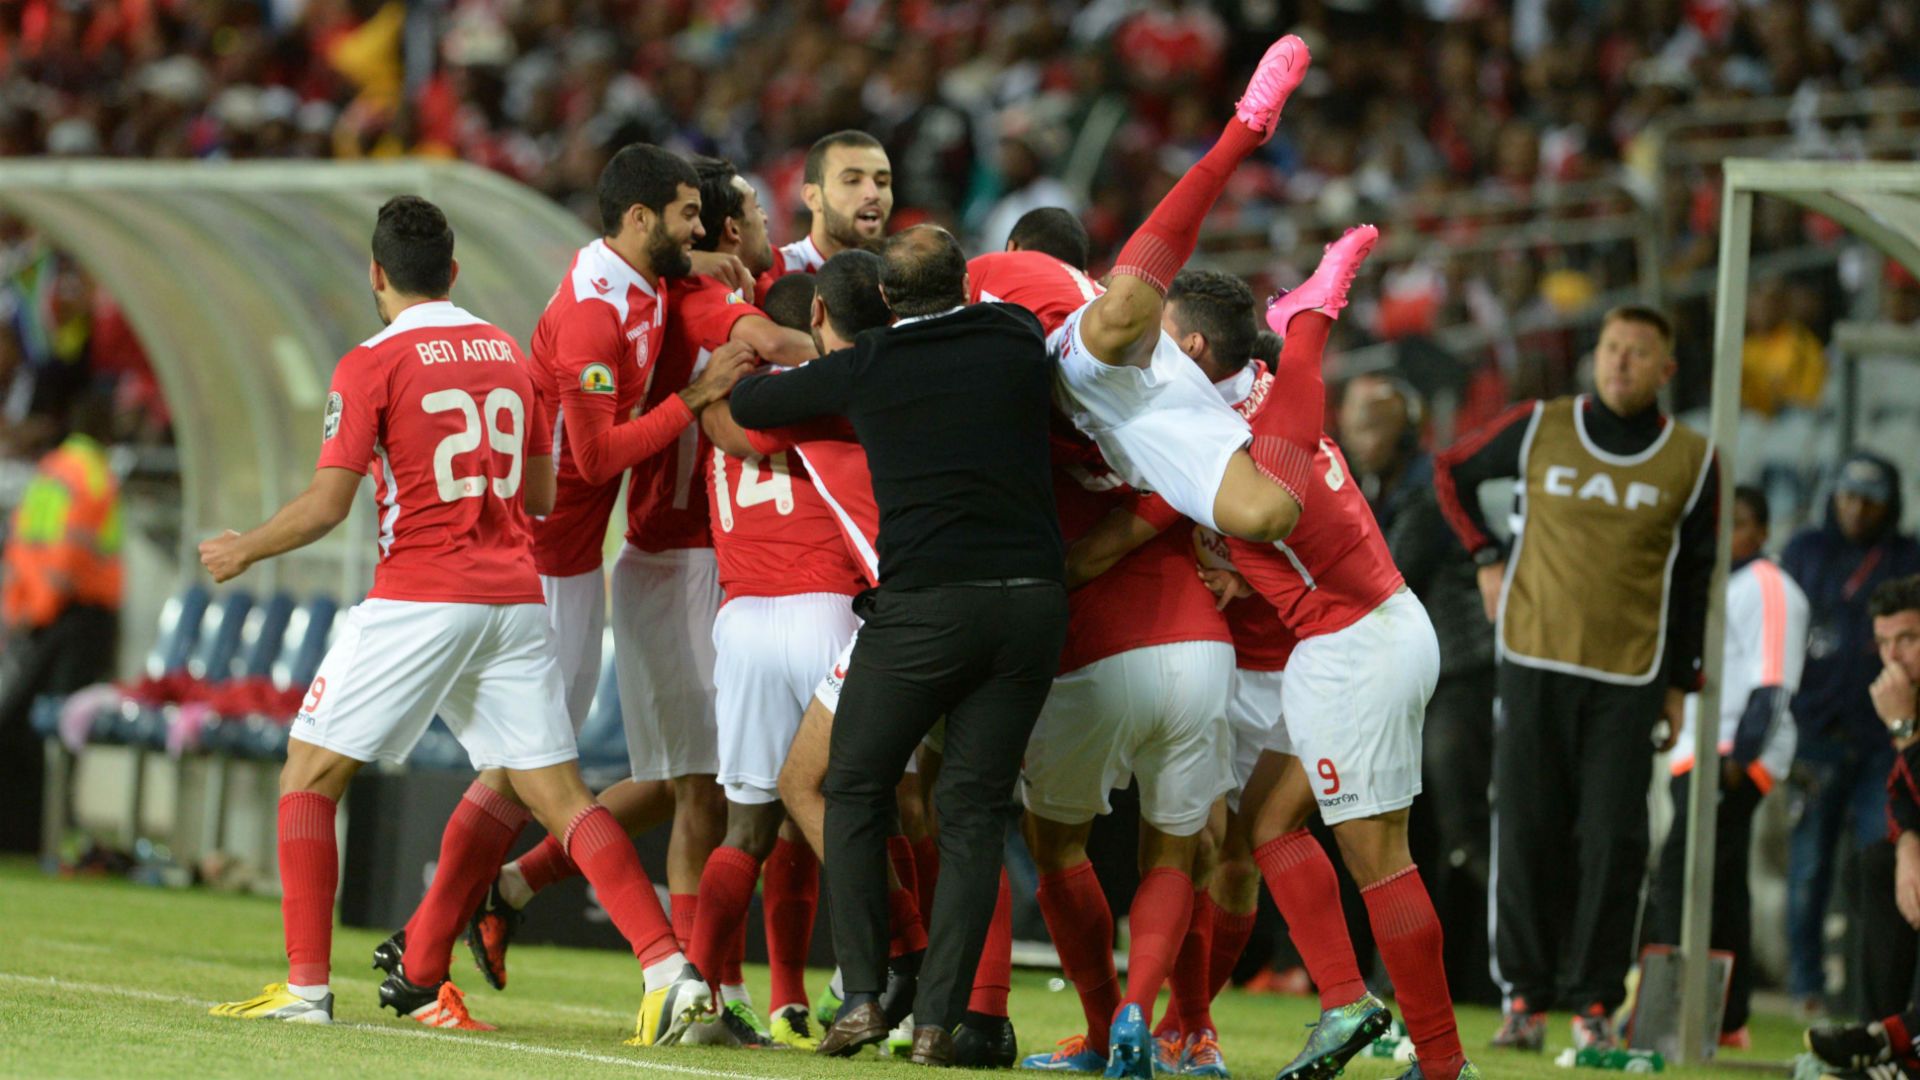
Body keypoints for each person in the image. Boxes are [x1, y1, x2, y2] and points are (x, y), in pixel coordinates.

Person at [200, 196, 712, 1046]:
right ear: (454, 274)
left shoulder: (370, 363)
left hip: (420, 596)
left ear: (376, 275)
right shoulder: (509, 353)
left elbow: (331, 504)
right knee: (560, 796)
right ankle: (670, 973)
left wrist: (245, 549)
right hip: (514, 599)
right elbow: (543, 495)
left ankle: (304, 987)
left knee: (308, 775)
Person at [375, 145, 753, 1019]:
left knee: (521, 768)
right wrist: (695, 402)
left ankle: (426, 944)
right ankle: (436, 945)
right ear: (638, 221)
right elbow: (591, 455)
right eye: (687, 217)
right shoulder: (591, 314)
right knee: (533, 768)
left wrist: (700, 260)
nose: (699, 230)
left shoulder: (641, 281)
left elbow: (676, 281)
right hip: (536, 566)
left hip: (573, 566)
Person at [730, 225, 1068, 1066]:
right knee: (973, 812)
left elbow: (751, 407)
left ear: (884, 300)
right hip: (1032, 607)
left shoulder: (870, 364)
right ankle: (939, 1024)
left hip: (927, 609)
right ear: (966, 284)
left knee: (850, 787)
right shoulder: (1014, 334)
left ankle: (865, 997)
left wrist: (778, 347)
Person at [1434, 305, 1719, 1052]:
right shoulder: (1539, 425)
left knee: (1614, 842)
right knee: (1525, 830)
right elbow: (1450, 473)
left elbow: (1696, 580)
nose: (1620, 362)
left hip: (1630, 678)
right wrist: (1487, 556)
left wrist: (1680, 685)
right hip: (1532, 662)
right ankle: (1524, 999)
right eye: (1611, 348)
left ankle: (1595, 1004)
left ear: (1666, 369)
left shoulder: (1693, 461)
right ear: (1596, 356)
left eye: (1638, 353)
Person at [967, 38, 1309, 548]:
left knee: (1267, 516)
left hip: (1134, 401)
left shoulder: (1014, 268)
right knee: (1123, 319)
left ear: (1018, 247)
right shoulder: (1028, 273)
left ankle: (1244, 131)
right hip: (1105, 407)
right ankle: (1313, 318)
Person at [1014, 388, 1236, 1079]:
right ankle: (1155, 1019)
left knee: (1054, 844)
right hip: (1202, 646)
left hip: (1096, 652)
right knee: (1178, 851)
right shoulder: (1174, 426)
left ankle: (1109, 1028)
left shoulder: (1030, 431)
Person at [1338, 372, 1497, 997]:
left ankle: (1511, 985)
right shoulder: (1382, 488)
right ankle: (1398, 981)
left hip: (1455, 678)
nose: (1359, 435)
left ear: (1406, 427)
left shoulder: (1429, 488)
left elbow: (1383, 576)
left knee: (1461, 834)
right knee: (1410, 834)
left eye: (1373, 422)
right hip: (1415, 680)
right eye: (1352, 422)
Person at [1646, 485, 1807, 1049]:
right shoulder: (1715, 586)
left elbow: (1774, 683)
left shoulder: (1770, 586)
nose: (1724, 536)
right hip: (1699, 750)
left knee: (1683, 872)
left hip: (1735, 752)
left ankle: (1670, 1015)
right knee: (1715, 879)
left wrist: (1740, 761)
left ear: (1761, 531)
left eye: (1737, 524)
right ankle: (1725, 1018)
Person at [1782, 452, 1920, 1015]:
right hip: (1816, 730)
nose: (1856, 510)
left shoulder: (1908, 557)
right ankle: (1805, 988)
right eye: (1847, 496)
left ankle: (1870, 1002)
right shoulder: (1806, 550)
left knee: (1877, 855)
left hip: (1882, 740)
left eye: (1869, 499)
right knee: (1809, 863)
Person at [1803, 575, 1920, 1079]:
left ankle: (1896, 1045)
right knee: (1878, 864)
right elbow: (1901, 793)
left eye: (1910, 640)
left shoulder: (1903, 710)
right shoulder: (1907, 695)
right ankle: (1880, 1042)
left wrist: (1903, 730)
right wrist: (1911, 845)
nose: (1893, 657)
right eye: (1885, 642)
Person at [0, 392, 120, 853]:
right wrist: (48, 606)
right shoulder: (94, 475)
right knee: (60, 730)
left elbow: (22, 544)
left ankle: (24, 833)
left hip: (36, 615)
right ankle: (39, 834)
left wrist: (23, 610)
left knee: (25, 722)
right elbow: (72, 553)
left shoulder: (48, 471)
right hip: (77, 617)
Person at [755, 130, 893, 300]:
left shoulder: (909, 274)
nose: (873, 194)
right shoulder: (770, 272)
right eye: (852, 181)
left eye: (882, 182)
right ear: (812, 197)